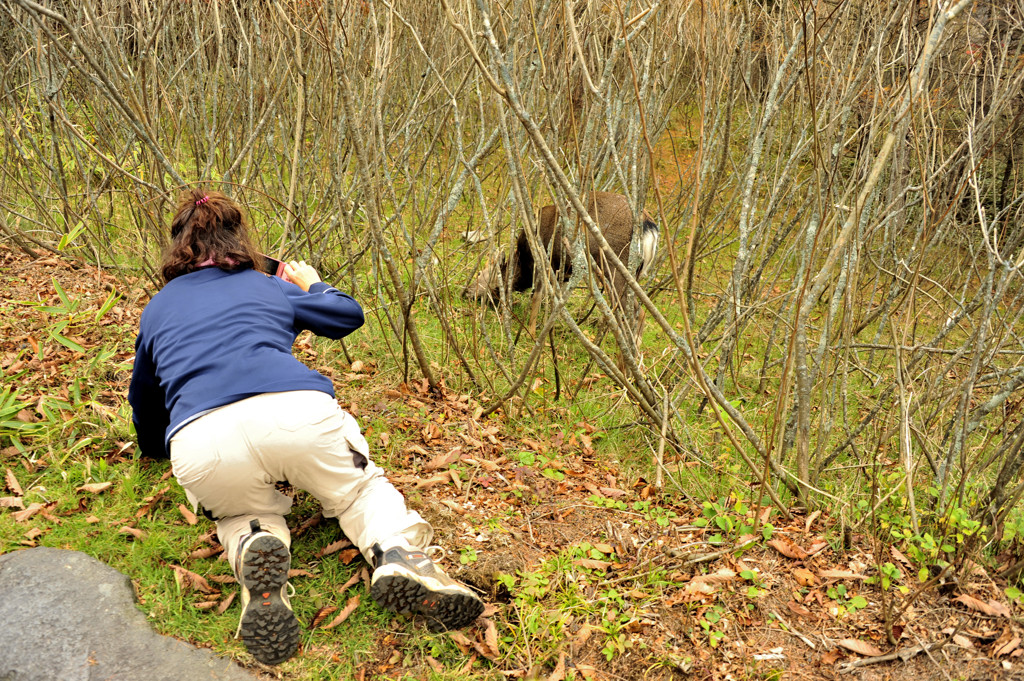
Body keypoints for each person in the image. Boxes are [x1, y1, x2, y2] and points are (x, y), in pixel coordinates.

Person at [128, 189, 484, 665]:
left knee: (236, 512)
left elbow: (145, 399)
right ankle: (399, 554)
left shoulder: (157, 310)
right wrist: (312, 284)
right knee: (358, 492)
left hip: (200, 439)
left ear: (178, 249)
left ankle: (257, 539)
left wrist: (154, 449)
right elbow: (346, 316)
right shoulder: (266, 285)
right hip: (294, 414)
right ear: (240, 241)